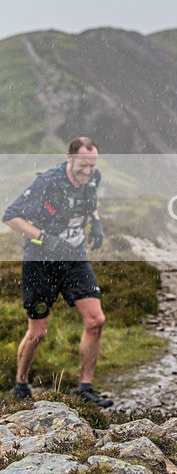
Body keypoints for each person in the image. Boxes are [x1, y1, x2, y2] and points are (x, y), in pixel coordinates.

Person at [3, 137, 112, 407]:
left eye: (92, 165)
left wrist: (96, 222)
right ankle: (21, 383)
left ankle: (85, 388)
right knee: (38, 332)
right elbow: (11, 216)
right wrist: (44, 238)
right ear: (69, 157)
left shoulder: (93, 178)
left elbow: (89, 202)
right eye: (83, 165)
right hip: (41, 262)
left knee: (96, 321)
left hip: (75, 258)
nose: (88, 170)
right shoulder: (48, 182)